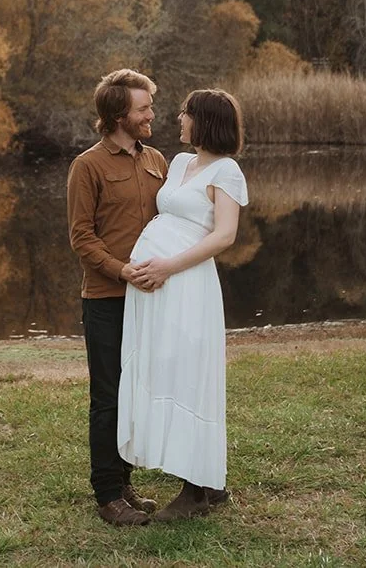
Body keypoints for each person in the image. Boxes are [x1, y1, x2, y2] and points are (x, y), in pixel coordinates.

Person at [117, 88, 248, 522]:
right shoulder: (178, 163)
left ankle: (197, 490)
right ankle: (206, 480)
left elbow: (224, 236)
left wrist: (168, 266)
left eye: (186, 113)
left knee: (190, 373)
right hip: (158, 289)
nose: (178, 118)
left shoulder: (227, 171)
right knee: (164, 367)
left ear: (204, 120)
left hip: (187, 284)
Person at [67, 68, 169, 526]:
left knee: (136, 393)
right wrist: (121, 270)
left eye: (149, 105)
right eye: (143, 107)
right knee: (107, 396)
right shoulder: (87, 166)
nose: (151, 114)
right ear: (117, 115)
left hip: (151, 299)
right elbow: (81, 238)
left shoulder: (158, 161)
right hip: (107, 298)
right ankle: (108, 494)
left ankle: (124, 481)